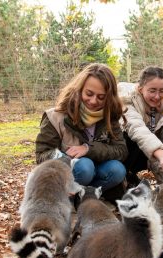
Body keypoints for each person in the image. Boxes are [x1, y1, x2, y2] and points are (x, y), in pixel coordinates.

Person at [35, 63, 128, 202]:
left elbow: (121, 150)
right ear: (79, 89)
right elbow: (42, 155)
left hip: (98, 172)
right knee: (84, 167)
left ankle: (86, 196)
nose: (93, 101)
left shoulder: (110, 116)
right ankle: (66, 199)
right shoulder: (55, 116)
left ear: (109, 97)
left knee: (117, 170)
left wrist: (88, 149)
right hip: (67, 175)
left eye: (101, 97)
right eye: (89, 94)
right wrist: (65, 158)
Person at [121, 66, 163, 186]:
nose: (157, 96)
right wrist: (161, 154)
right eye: (152, 91)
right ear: (141, 89)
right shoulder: (127, 100)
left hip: (144, 153)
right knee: (132, 138)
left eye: (162, 91)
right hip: (120, 148)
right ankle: (122, 178)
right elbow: (136, 128)